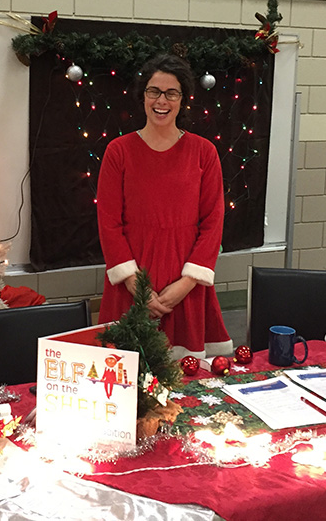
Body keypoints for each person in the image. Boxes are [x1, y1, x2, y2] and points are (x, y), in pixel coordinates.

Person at [97, 53, 232, 360]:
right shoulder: (118, 152)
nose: (162, 100)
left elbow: (213, 222)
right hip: (131, 285)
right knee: (123, 377)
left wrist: (186, 284)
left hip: (185, 284)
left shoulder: (204, 152)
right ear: (142, 96)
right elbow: (108, 222)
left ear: (183, 99)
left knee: (189, 386)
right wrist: (136, 285)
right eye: (154, 91)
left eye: (171, 93)